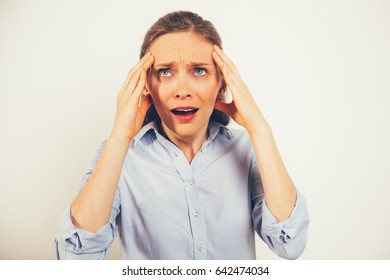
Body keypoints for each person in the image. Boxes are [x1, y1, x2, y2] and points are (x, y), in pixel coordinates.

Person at [55, 10, 309, 260]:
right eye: (165, 71)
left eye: (199, 70)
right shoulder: (116, 154)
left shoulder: (247, 150)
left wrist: (260, 129)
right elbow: (76, 261)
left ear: (222, 84)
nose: (182, 90)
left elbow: (290, 244)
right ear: (146, 85)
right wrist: (120, 137)